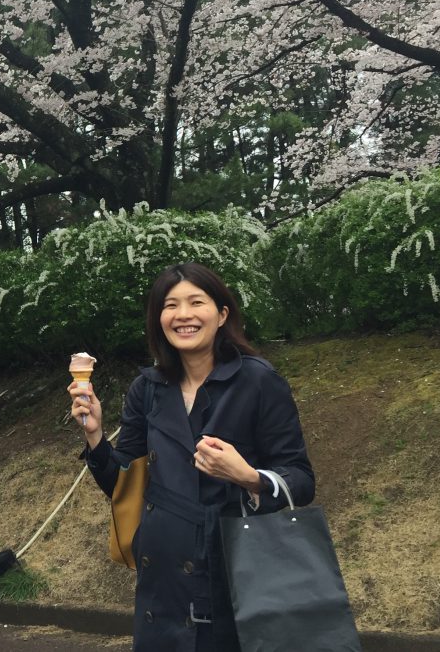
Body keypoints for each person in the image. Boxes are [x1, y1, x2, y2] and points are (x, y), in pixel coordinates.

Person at [69, 262, 314, 652]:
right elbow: (123, 485)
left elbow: (300, 480)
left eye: (196, 302)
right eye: (170, 305)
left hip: (231, 575)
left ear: (222, 315)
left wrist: (248, 476)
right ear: (159, 319)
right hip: (160, 582)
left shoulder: (258, 381)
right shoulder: (147, 388)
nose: (183, 315)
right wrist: (95, 435)